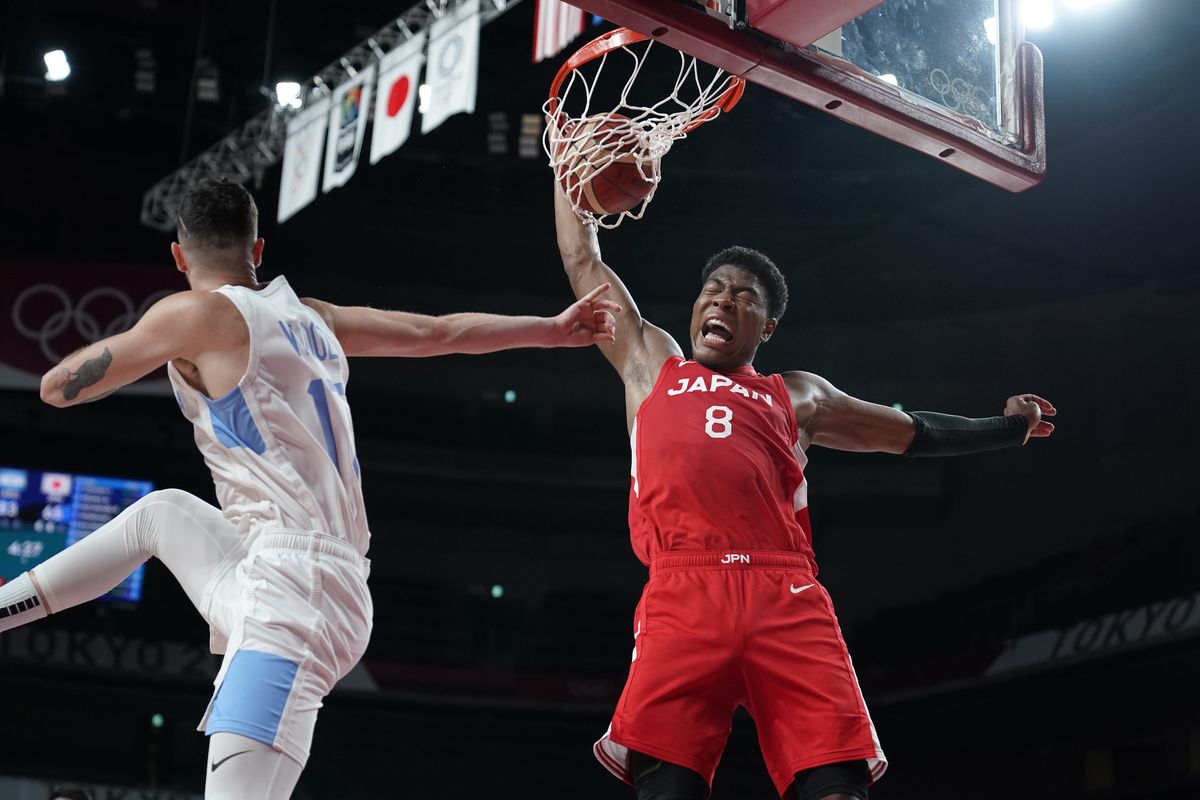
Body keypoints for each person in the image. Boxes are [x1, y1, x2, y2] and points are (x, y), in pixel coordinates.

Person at [0, 178, 619, 799]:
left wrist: (154, 340)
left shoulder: (192, 314)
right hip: (299, 576)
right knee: (159, 515)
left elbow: (58, 388)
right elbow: (440, 334)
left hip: (290, 596)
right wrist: (550, 328)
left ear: (180, 257)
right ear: (258, 250)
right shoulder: (313, 317)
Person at [552, 183, 1055, 800]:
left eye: (744, 297)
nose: (725, 300)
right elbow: (584, 263)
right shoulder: (651, 364)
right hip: (684, 588)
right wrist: (567, 177)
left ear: (767, 326)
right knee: (667, 792)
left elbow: (911, 433)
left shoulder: (797, 395)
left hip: (783, 591)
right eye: (714, 290)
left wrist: (1007, 428)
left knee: (836, 788)